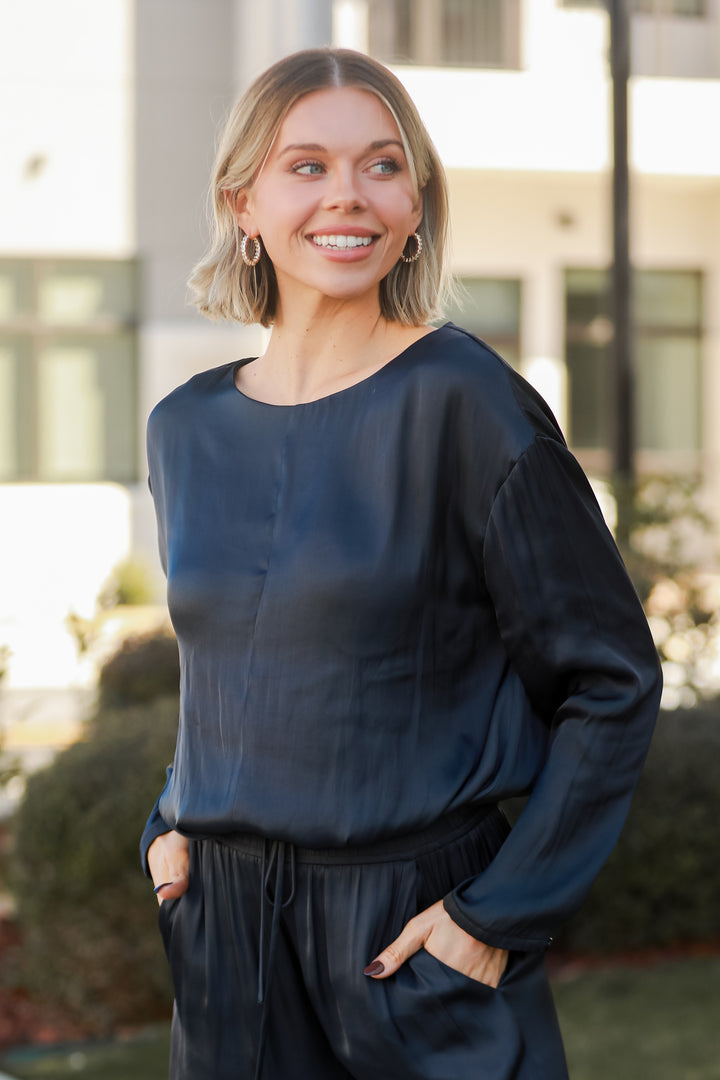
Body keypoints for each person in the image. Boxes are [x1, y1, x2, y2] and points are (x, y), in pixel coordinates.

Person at [141, 47, 662, 1080]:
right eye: (307, 166)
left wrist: (495, 918)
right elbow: (235, 658)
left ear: (416, 203)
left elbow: (611, 679)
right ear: (242, 202)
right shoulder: (184, 428)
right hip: (227, 952)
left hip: (414, 946)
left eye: (382, 165)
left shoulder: (467, 402)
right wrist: (170, 822)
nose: (349, 196)